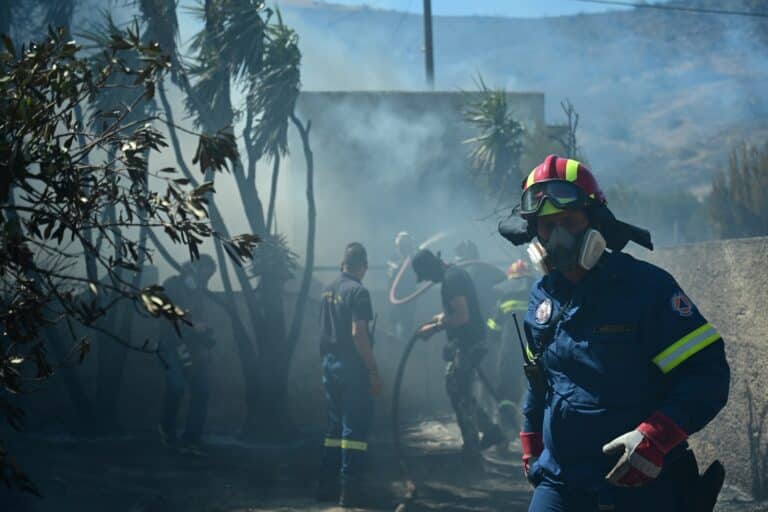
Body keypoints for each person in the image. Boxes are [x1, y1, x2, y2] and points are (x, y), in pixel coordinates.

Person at [499, 154, 730, 511]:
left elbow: (708, 374)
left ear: (595, 224)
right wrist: (531, 442)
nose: (558, 236)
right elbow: (539, 381)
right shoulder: (541, 297)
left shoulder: (647, 289)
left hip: (639, 484)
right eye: (546, 226)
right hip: (560, 484)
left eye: (569, 221)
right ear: (535, 233)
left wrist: (655, 438)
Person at [411, 249, 502, 467]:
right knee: (457, 389)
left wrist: (434, 328)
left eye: (425, 274)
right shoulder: (453, 276)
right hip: (467, 342)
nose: (428, 280)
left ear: (431, 266)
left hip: (469, 343)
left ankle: (472, 451)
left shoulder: (452, 280)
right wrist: (435, 320)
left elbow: (461, 316)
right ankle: (491, 431)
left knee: (459, 392)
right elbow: (456, 311)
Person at [316, 242, 381, 508]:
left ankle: (325, 486)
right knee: (354, 431)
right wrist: (373, 370)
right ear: (363, 266)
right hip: (353, 367)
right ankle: (350, 491)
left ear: (343, 263)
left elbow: (321, 331)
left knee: (334, 428)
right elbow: (359, 333)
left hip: (329, 364)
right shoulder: (359, 292)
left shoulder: (327, 289)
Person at [157, 255, 217, 456]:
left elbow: (197, 319)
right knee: (177, 385)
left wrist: (204, 335)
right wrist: (193, 325)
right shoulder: (172, 284)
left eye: (209, 278)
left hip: (191, 347)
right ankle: (167, 429)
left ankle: (192, 439)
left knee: (202, 390)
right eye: (205, 275)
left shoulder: (198, 292)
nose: (205, 281)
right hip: (171, 345)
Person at [485, 259, 534, 434]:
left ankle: (506, 433)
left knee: (506, 391)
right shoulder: (537, 293)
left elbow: (493, 327)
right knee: (535, 391)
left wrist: (495, 341)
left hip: (509, 351)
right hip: (534, 351)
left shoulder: (504, 296)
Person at [387, 231, 417, 339]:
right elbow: (392, 269)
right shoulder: (394, 257)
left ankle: (404, 342)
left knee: (406, 322)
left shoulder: (412, 256)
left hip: (408, 295)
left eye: (404, 244)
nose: (401, 247)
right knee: (395, 319)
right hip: (395, 295)